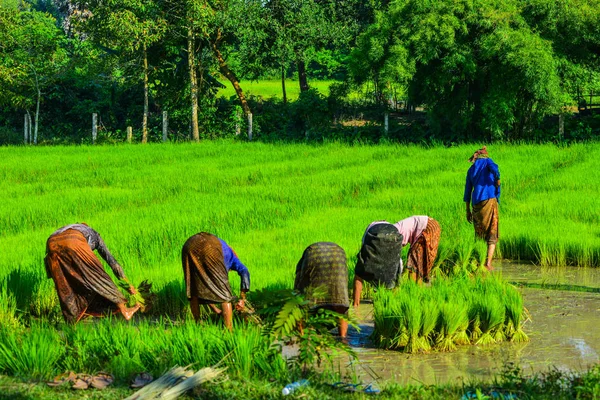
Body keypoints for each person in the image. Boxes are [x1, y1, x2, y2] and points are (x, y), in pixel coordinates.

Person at [44, 223, 140, 323]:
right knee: (99, 276)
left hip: (51, 243)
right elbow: (113, 263)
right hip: (73, 241)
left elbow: (50, 264)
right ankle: (125, 311)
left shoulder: (65, 229)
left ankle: (72, 324)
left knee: (66, 284)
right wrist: (128, 285)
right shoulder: (94, 235)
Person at [182, 232, 250, 330]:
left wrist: (216, 310)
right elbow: (245, 271)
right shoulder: (232, 258)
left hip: (189, 245)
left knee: (195, 289)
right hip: (211, 248)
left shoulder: (224, 247)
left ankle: (197, 325)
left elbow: (206, 287)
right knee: (225, 296)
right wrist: (242, 299)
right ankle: (229, 330)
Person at [294, 242, 349, 338]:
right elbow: (344, 281)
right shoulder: (339, 252)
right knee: (341, 302)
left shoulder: (307, 255)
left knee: (302, 304)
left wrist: (296, 297)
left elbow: (298, 283)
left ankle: (301, 336)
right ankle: (343, 338)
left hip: (313, 255)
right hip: (338, 256)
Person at [464, 146, 501, 270]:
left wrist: (467, 210)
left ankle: (478, 261)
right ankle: (488, 263)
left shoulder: (471, 170)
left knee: (479, 233)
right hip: (489, 200)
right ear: (486, 156)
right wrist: (498, 180)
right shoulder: (488, 162)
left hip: (476, 204)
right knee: (492, 232)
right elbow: (495, 169)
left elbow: (467, 191)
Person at [353, 222, 403, 308]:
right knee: (394, 272)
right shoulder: (393, 229)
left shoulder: (370, 227)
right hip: (394, 236)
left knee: (359, 273)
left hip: (374, 234)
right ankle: (393, 304)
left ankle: (355, 305)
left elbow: (364, 249)